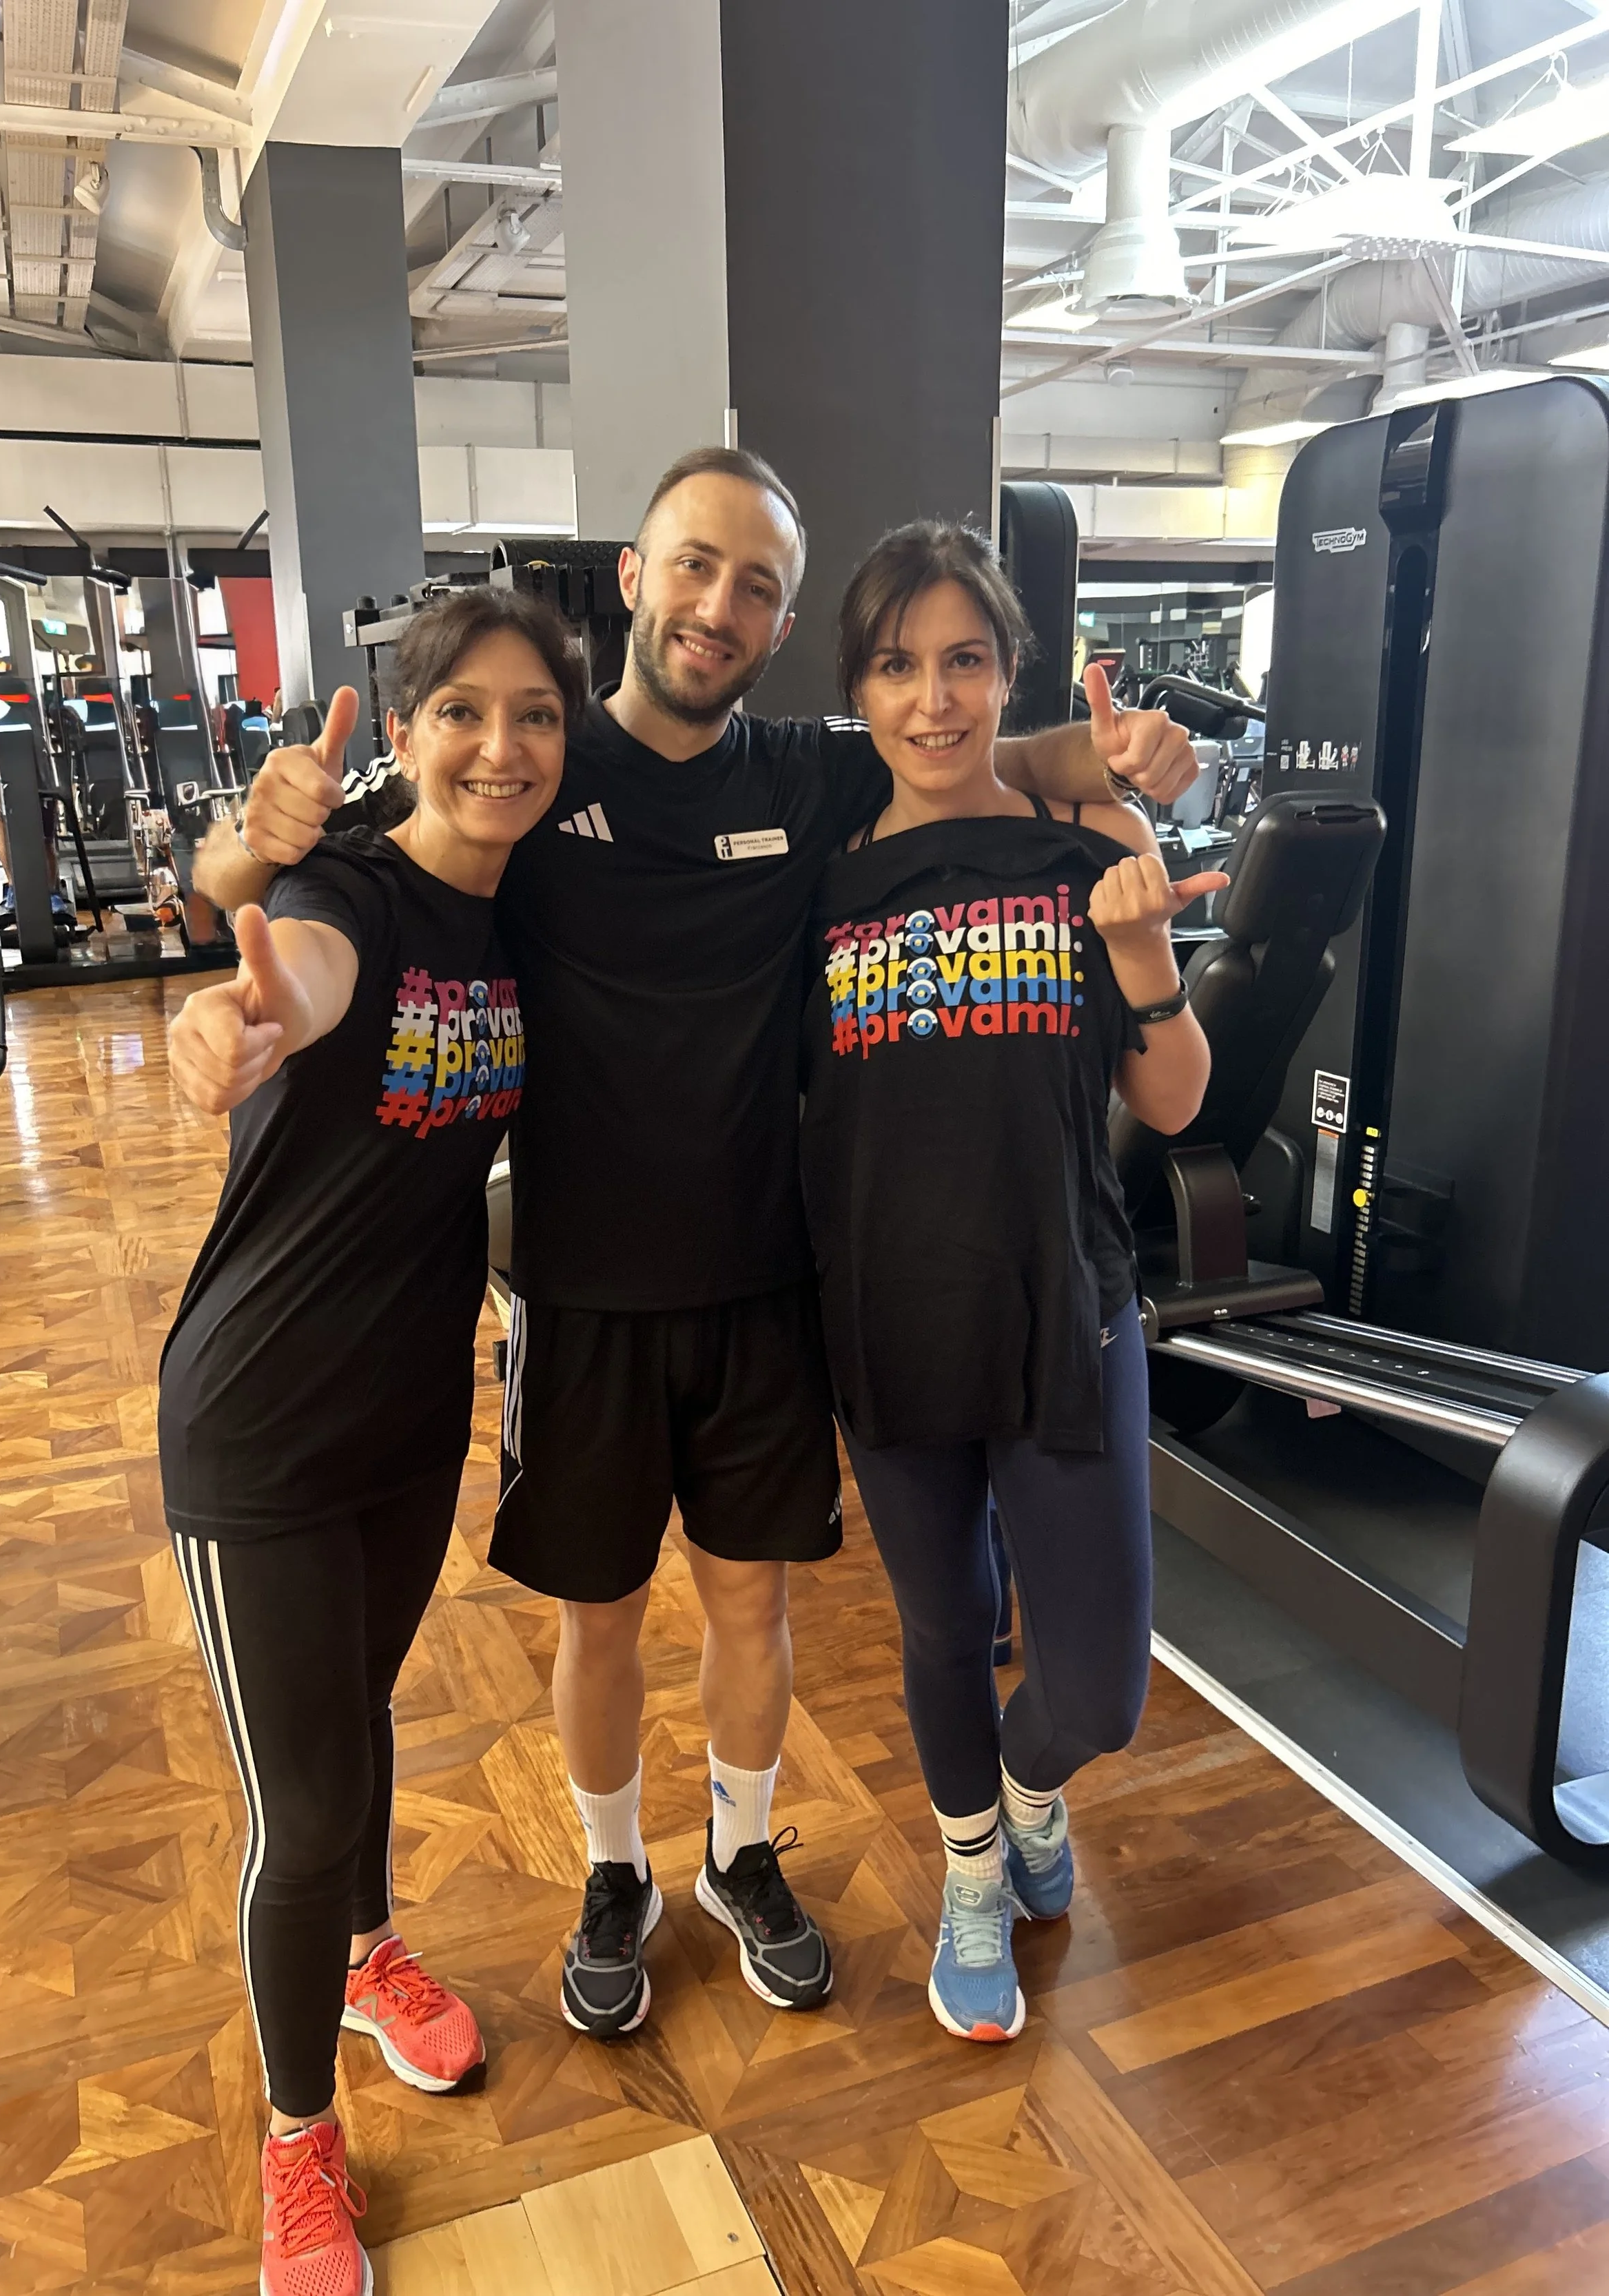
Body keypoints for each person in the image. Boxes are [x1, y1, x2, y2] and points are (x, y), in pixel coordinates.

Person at [183, 445, 1200, 2044]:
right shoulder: (528, 758)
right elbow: (314, 874)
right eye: (694, 565)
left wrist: (1121, 751)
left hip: (764, 1283)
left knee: (751, 1613)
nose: (718, 603)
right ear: (638, 576)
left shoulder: (796, 772)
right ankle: (612, 1876)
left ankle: (735, 1855)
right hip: (580, 1292)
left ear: (781, 622)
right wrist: (240, 876)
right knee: (599, 1620)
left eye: (756, 585)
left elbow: (951, 737)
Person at [161, 588, 581, 2296]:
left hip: (411, 1413)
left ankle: (365, 1948)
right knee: (306, 1791)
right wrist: (246, 994)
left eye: (535, 714)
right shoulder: (354, 892)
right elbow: (294, 960)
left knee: (358, 1713)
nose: (500, 745)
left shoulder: (529, 911)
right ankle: (296, 2144)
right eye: (461, 713)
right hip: (255, 1421)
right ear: (400, 735)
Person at [800, 521, 1222, 2043]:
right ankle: (973, 1867)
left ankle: (1031, 1784)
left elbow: (1172, 1102)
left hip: (1065, 1305)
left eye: (963, 662)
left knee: (1095, 1687)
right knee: (943, 1620)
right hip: (887, 1317)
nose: (931, 700)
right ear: (857, 686)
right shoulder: (822, 874)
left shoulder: (1090, 845)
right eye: (897, 666)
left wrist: (1145, 967)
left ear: (1006, 674)